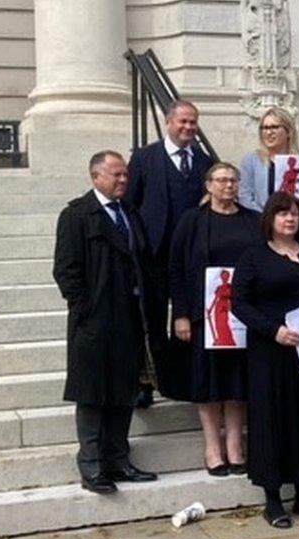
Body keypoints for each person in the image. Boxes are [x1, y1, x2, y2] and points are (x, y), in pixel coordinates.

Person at [231, 192, 299, 528]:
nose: (290, 220)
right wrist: (273, 330)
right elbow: (240, 304)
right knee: (273, 420)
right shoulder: (254, 257)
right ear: (270, 219)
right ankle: (273, 499)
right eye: (282, 214)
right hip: (272, 353)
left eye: (294, 214)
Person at [53, 150, 160, 494]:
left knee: (123, 393)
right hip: (94, 322)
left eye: (125, 175)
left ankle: (119, 460)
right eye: (116, 175)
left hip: (128, 319)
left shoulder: (129, 213)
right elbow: (66, 270)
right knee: (93, 395)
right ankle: (92, 466)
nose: (123, 180)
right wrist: (85, 308)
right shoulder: (77, 215)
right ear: (96, 176)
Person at [165, 162, 261, 476]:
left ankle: (235, 446)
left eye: (233, 180)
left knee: (237, 381)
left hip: (243, 315)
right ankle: (212, 448)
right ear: (208, 185)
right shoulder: (192, 221)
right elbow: (176, 269)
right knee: (208, 381)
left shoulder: (252, 220)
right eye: (221, 180)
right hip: (204, 316)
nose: (228, 186)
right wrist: (180, 314)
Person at [127, 99, 215, 408]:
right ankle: (145, 381)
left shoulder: (205, 164)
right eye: (183, 122)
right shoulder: (144, 158)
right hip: (153, 255)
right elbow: (129, 205)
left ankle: (182, 380)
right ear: (168, 123)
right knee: (150, 319)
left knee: (188, 321)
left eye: (193, 123)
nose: (189, 128)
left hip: (191, 258)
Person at [239, 106, 299, 213]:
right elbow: (245, 197)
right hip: (260, 221)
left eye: (274, 127)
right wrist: (268, 218)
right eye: (265, 128)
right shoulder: (250, 161)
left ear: (289, 131)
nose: (268, 132)